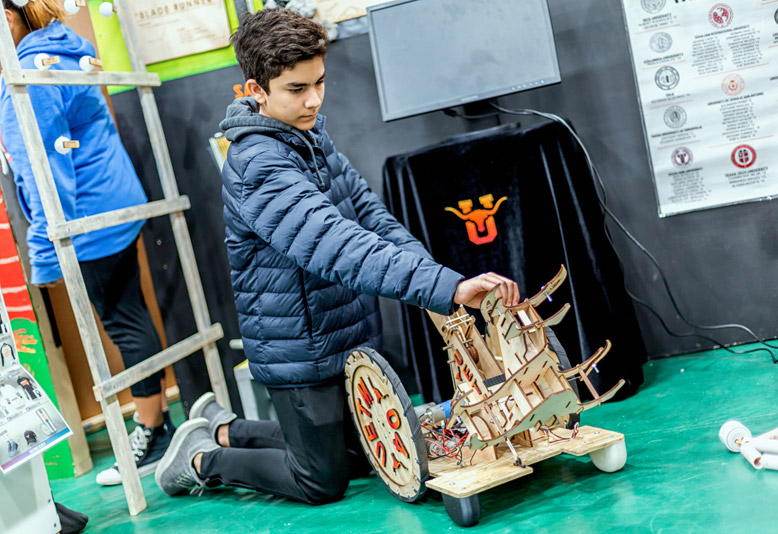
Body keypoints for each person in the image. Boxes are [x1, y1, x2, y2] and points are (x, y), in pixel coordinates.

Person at [155, 8, 520, 504]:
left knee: (361, 455)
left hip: (345, 335)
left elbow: (371, 219)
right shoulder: (256, 164)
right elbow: (338, 245)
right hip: (298, 348)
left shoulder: (309, 137)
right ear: (256, 90)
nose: (313, 99)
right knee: (320, 481)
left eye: (319, 82)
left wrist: (440, 285)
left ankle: (228, 429)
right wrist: (445, 288)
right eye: (296, 89)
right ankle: (202, 458)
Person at [0, 0, 174, 485]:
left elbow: (44, 164)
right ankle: (158, 421)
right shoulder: (59, 48)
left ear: (9, 17)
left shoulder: (30, 68)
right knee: (132, 313)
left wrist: (45, 248)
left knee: (124, 320)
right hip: (113, 200)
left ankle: (150, 429)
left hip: (89, 214)